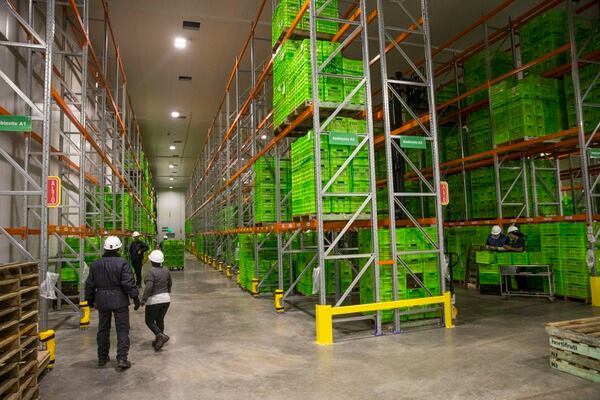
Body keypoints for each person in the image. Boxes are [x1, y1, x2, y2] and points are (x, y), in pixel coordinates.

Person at [85, 236, 141, 370]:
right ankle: (122, 358)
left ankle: (102, 358)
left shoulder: (95, 264)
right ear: (119, 248)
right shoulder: (123, 263)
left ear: (104, 248)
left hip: (102, 301)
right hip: (119, 300)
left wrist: (89, 300)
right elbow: (128, 283)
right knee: (122, 329)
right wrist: (135, 297)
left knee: (103, 329)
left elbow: (90, 284)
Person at [139, 250, 172, 351]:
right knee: (159, 320)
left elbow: (149, 287)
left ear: (151, 261)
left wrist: (143, 300)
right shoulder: (166, 270)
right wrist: (167, 293)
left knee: (149, 321)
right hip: (166, 299)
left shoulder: (150, 272)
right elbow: (169, 283)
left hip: (155, 300)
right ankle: (159, 341)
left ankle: (160, 336)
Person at [504, 226, 527, 291]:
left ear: (513, 233)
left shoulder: (520, 239)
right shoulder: (514, 241)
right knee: (517, 276)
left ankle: (524, 290)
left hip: (521, 261)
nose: (509, 236)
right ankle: (521, 289)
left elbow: (520, 249)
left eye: (510, 234)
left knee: (521, 276)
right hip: (516, 261)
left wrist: (510, 248)